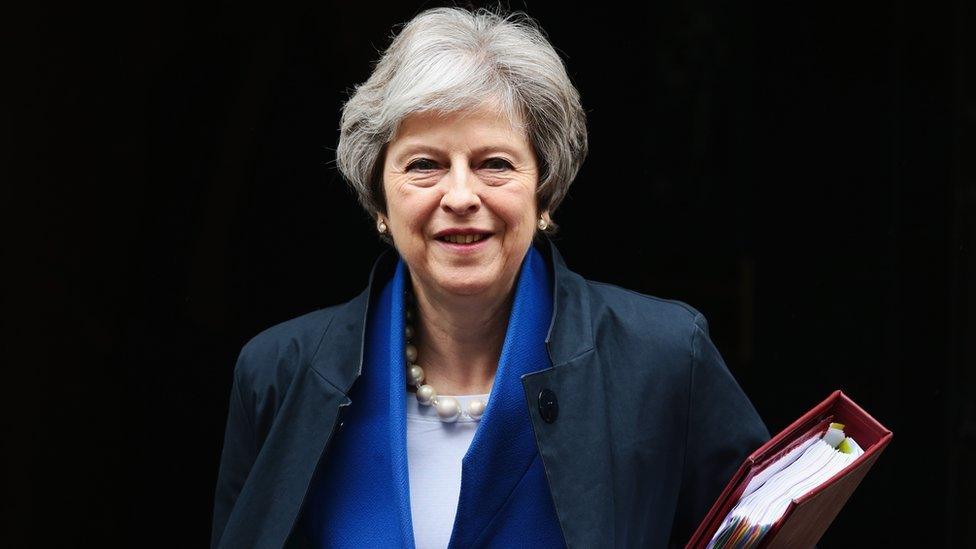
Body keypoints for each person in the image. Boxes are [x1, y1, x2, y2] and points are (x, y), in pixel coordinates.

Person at [210, 7, 769, 549]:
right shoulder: (277, 373)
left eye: (494, 164)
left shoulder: (664, 356)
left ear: (543, 190)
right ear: (379, 198)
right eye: (424, 165)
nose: (459, 197)